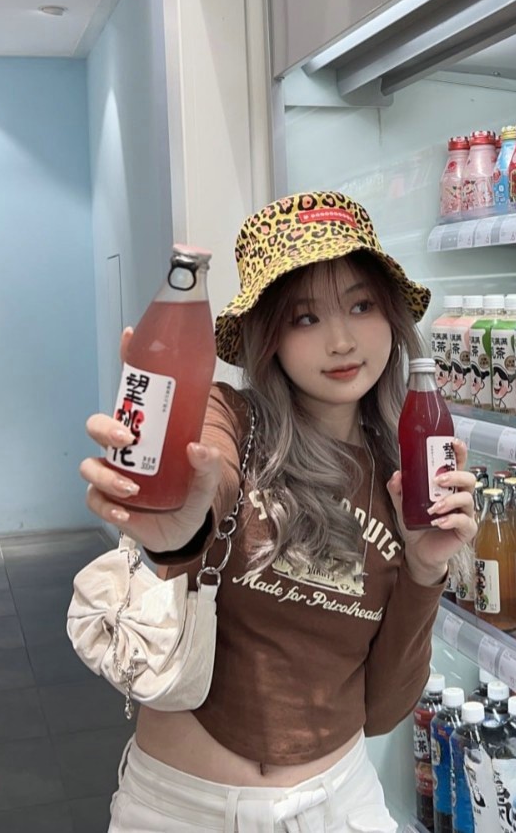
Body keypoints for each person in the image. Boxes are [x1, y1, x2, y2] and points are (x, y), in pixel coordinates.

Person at [80, 191, 477, 833]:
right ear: (270, 337)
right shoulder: (233, 419)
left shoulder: (404, 473)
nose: (341, 340)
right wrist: (181, 523)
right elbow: (208, 469)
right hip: (182, 811)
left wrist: (425, 569)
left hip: (340, 804)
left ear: (391, 315)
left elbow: (383, 712)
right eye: (304, 318)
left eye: (361, 306)